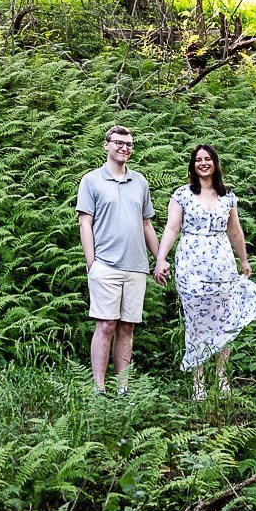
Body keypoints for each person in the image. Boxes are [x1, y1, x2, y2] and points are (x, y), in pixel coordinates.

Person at [154, 144, 256, 399]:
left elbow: (235, 231)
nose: (203, 163)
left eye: (208, 158)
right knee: (196, 321)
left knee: (225, 319)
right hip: (191, 265)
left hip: (223, 266)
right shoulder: (182, 195)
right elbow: (172, 228)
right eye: (198, 159)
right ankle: (198, 382)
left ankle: (221, 378)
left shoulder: (227, 196)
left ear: (215, 163)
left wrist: (244, 260)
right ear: (193, 165)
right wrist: (161, 258)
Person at [75, 123, 161, 392]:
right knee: (105, 325)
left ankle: (123, 388)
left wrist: (159, 259)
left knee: (127, 328)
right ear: (107, 145)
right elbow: (85, 224)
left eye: (129, 144)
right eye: (119, 143)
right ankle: (99, 388)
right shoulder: (91, 180)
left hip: (136, 266)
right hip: (105, 265)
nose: (124, 148)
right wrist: (92, 263)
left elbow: (146, 224)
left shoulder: (140, 182)